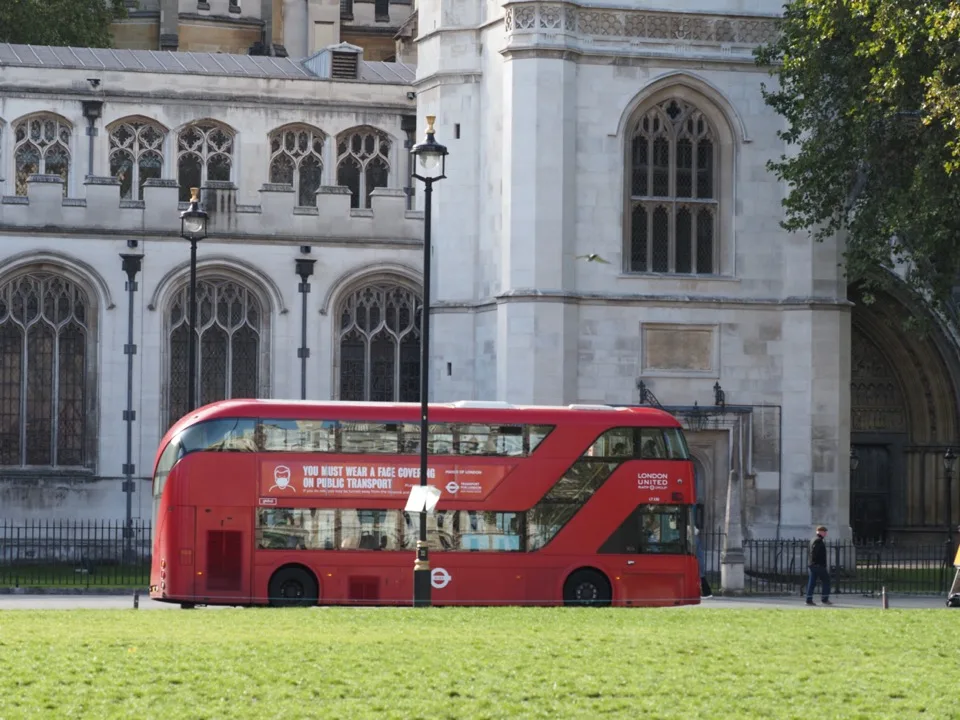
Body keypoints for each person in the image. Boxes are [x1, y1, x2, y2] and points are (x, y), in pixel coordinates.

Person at [806, 525, 832, 606]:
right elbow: (814, 553)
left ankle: (809, 599)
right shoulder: (818, 541)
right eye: (824, 532)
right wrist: (816, 562)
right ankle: (825, 599)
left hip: (812, 565)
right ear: (821, 532)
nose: (825, 534)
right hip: (818, 565)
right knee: (826, 581)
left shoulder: (813, 539)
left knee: (812, 583)